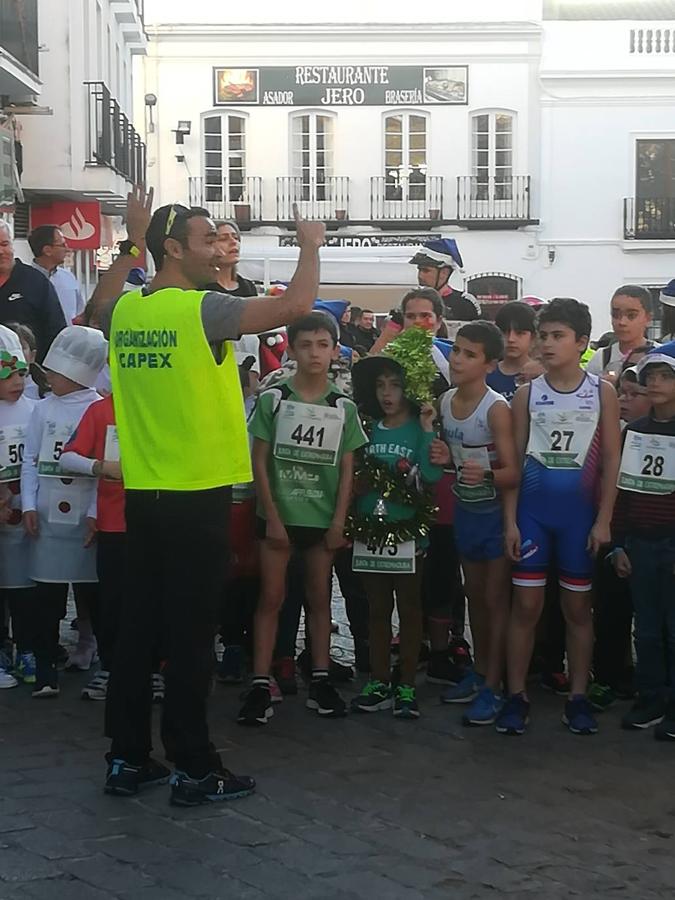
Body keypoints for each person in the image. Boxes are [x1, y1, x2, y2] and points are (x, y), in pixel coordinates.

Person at [103, 202, 325, 806]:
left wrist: (131, 241)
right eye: (207, 240)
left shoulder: (128, 308)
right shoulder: (201, 308)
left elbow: (95, 308)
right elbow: (293, 309)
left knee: (137, 632)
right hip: (194, 494)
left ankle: (126, 758)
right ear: (173, 249)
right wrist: (309, 246)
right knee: (192, 636)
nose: (220, 250)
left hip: (144, 495)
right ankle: (194, 765)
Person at [238, 311, 367, 726]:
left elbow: (348, 468)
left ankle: (321, 677)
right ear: (291, 350)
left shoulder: (342, 405)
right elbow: (259, 460)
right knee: (271, 598)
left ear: (335, 350)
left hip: (321, 517)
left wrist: (338, 522)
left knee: (319, 599)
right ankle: (260, 682)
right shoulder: (275, 398)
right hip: (279, 515)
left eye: (323, 345)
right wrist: (271, 516)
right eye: (306, 345)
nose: (315, 353)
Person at [498, 298, 621, 736]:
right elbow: (513, 464)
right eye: (544, 336)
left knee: (577, 609)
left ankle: (578, 696)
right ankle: (516, 696)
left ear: (582, 343)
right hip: (533, 516)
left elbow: (610, 459)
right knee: (526, 607)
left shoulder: (601, 391)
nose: (548, 345)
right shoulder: (527, 395)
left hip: (578, 519)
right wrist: (511, 522)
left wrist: (603, 519)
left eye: (558, 336)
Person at [349, 347, 443, 718]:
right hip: (370, 532)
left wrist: (425, 429)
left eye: (395, 385)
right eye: (381, 386)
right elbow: (354, 474)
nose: (387, 394)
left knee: (409, 609)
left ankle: (405, 683)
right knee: (376, 610)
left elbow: (431, 478)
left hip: (408, 537)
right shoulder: (367, 428)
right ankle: (378, 679)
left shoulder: (419, 428)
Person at [436, 322, 518, 725]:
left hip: (495, 518)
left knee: (495, 600)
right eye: (456, 351)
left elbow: (513, 472)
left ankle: (496, 685)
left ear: (489, 364)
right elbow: (454, 461)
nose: (458, 360)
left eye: (470, 355)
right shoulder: (446, 400)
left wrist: (485, 476)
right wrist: (443, 459)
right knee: (473, 596)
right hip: (465, 514)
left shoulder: (496, 408)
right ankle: (482, 671)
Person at [21, 326, 107, 697]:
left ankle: (104, 663)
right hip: (46, 518)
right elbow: (29, 460)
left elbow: (104, 468)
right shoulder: (42, 409)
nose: (49, 377)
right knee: (47, 597)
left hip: (85, 517)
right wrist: (28, 505)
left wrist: (94, 511)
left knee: (95, 597)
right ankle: (45, 672)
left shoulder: (98, 408)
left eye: (54, 372)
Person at [612, 342, 675, 738]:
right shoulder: (634, 431)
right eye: (649, 377)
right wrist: (618, 544)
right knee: (647, 630)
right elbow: (622, 491)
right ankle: (652, 697)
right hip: (640, 543)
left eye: (665, 376)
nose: (655, 383)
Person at [588, 365, 650, 712]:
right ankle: (608, 676)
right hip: (616, 533)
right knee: (611, 610)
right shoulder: (618, 434)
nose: (625, 400)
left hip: (656, 539)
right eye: (622, 393)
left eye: (634, 394)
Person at [0, 326, 37, 689]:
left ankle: (29, 648)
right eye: (6, 374)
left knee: (25, 587)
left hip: (21, 517)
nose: (16, 382)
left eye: (22, 373)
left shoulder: (35, 411)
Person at [0, 220, 66, 361]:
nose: (1, 251)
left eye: (4, 244)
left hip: (29, 376)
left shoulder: (35, 282)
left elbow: (56, 331)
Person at [585, 285, 656, 378]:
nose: (622, 322)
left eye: (631, 315)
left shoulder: (660, 354)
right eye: (616, 315)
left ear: (648, 318)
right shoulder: (601, 357)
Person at [408, 238, 481, 328]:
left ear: (444, 273)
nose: (420, 276)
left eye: (426, 271)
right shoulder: (412, 301)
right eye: (419, 270)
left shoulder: (464, 303)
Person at [29, 225, 85, 325]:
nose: (67, 249)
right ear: (47, 250)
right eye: (62, 245)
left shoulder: (68, 277)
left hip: (68, 338)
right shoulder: (25, 279)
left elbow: (79, 313)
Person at [487, 301, 541, 402]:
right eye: (505, 332)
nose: (511, 339)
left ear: (533, 337)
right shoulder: (486, 374)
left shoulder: (541, 376)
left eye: (520, 333)